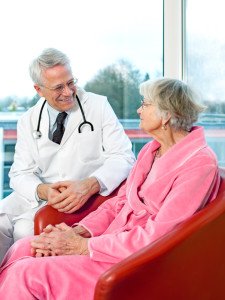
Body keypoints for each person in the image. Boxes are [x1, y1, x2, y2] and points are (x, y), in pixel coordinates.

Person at [0, 78, 220, 299]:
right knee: (22, 248)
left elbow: (160, 235)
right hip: (111, 240)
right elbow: (119, 203)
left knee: (25, 273)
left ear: (166, 114)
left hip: (139, 260)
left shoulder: (199, 165)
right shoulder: (151, 151)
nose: (138, 110)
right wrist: (79, 232)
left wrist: (84, 246)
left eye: (145, 104)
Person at [0, 48, 136, 263]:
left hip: (87, 195)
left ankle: (23, 287)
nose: (68, 91)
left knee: (25, 232)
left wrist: (89, 185)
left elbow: (124, 157)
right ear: (39, 90)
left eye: (70, 82)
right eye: (58, 87)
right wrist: (43, 191)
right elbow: (20, 173)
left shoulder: (98, 106)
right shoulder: (28, 120)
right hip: (42, 193)